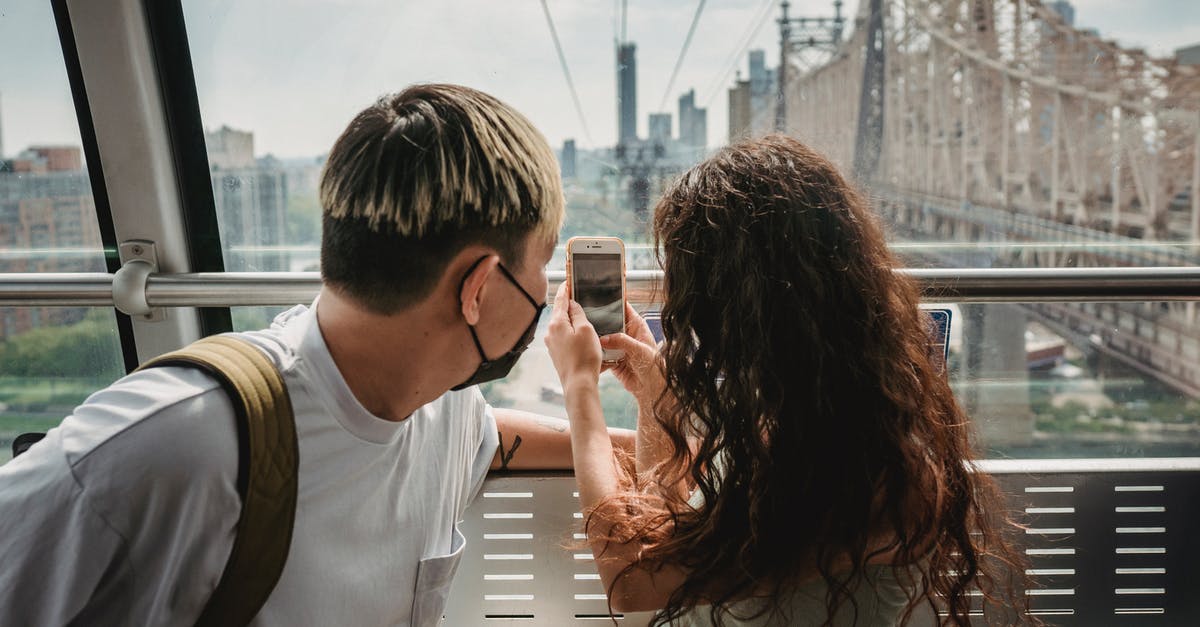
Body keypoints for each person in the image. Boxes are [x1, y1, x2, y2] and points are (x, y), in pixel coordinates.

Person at [0, 84, 632, 625]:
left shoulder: (438, 410)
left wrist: (661, 443)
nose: (548, 300)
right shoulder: (170, 448)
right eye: (543, 268)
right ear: (480, 288)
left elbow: (486, 436)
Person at [545, 135, 1026, 626]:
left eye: (696, 288)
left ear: (752, 305)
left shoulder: (871, 473)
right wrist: (653, 402)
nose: (688, 313)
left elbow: (634, 582)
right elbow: (665, 526)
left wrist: (579, 388)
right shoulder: (791, 423)